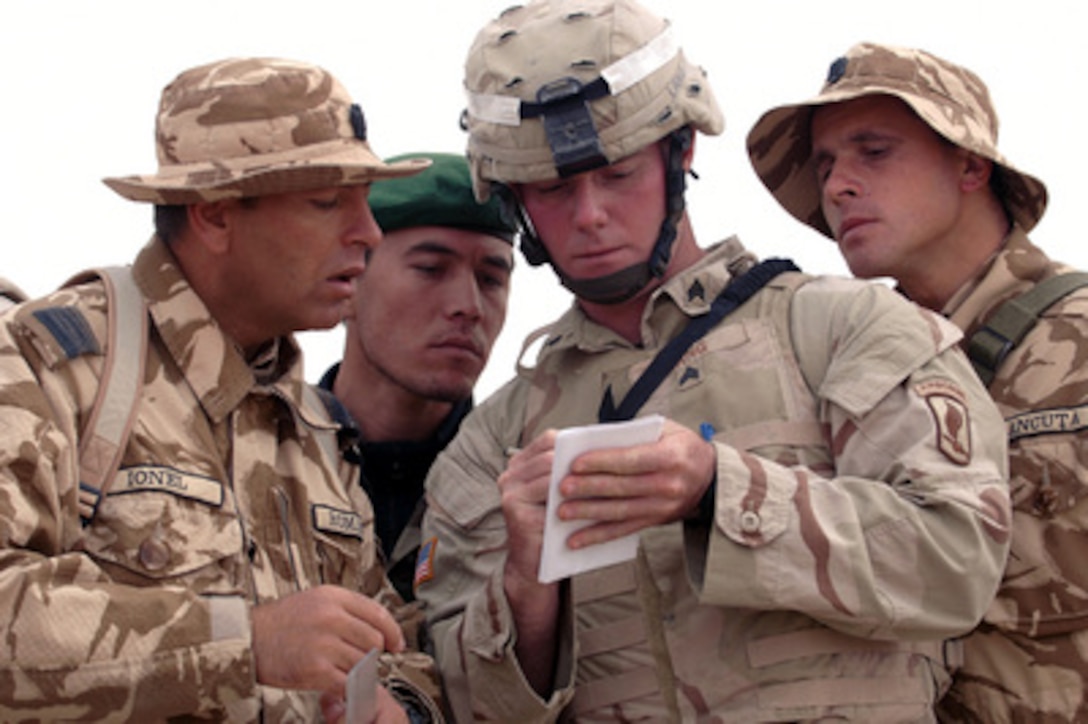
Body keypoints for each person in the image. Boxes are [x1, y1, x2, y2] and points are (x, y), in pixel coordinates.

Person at [414, 2, 1012, 720]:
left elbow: (958, 565)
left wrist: (720, 492)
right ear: (516, 204)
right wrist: (526, 588)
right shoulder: (492, 443)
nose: (590, 215)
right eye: (553, 190)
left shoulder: (844, 331)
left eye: (619, 175)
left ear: (682, 152)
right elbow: (466, 705)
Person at [0, 57, 444, 722]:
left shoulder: (317, 429)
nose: (369, 232)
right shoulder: (49, 365)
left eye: (365, 200)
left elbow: (399, 644)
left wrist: (400, 709)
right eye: (328, 202)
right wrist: (246, 640)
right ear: (213, 216)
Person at [747, 42, 1088, 723]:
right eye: (824, 164)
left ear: (970, 165)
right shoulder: (826, 368)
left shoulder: (1079, 340)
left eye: (873, 152)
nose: (838, 185)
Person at [318, 151, 516, 602]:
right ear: (347, 283)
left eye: (491, 279)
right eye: (430, 270)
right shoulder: (260, 457)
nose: (468, 305)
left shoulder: (520, 483)